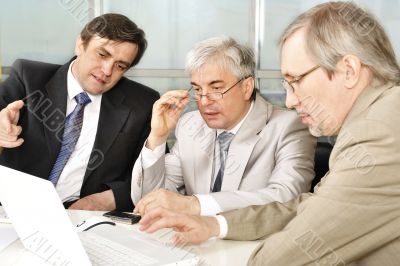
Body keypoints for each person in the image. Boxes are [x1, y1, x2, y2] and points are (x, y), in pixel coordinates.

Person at [138, 2, 400, 265]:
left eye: (296, 80)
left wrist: (195, 207)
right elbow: (309, 205)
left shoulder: (378, 131)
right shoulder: (376, 116)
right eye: (197, 89)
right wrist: (215, 225)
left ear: (349, 71)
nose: (289, 101)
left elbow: (291, 251)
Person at [131, 36, 316, 217]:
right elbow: (147, 200)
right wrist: (158, 136)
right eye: (197, 89)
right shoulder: (191, 124)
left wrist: (196, 204)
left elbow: (287, 199)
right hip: (194, 241)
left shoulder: (289, 126)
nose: (204, 101)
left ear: (246, 87)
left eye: (216, 88)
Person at [0, 13, 159, 212]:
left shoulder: (142, 102)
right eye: (102, 54)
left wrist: (108, 199)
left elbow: (153, 173)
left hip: (83, 218)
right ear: (80, 45)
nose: (107, 71)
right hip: (11, 209)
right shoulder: (28, 77)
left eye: (120, 66)